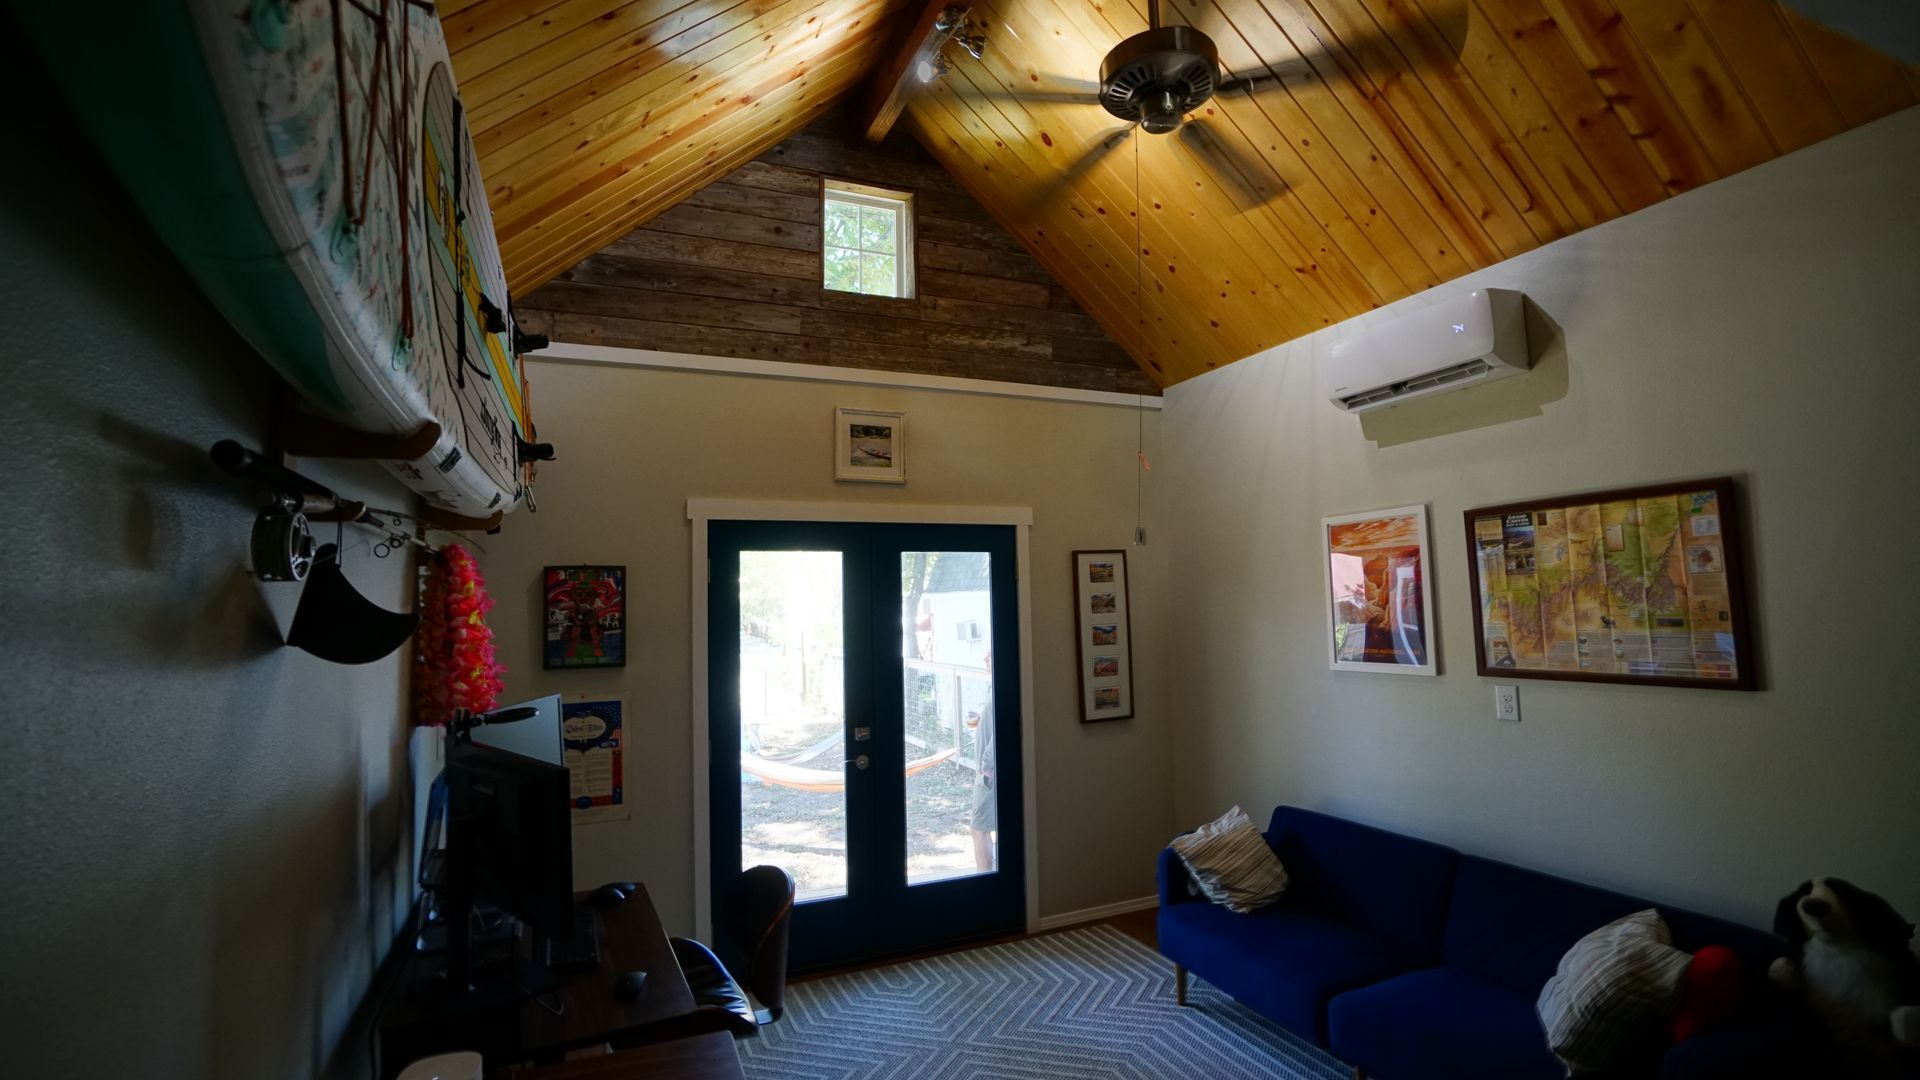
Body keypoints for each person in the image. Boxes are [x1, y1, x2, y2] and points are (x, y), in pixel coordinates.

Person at [966, 650, 997, 873]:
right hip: (989, 772)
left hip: (989, 775)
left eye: (990, 655)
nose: (985, 659)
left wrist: (987, 769)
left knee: (979, 829)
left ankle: (984, 878)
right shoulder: (995, 687)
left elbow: (998, 737)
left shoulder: (1001, 691)